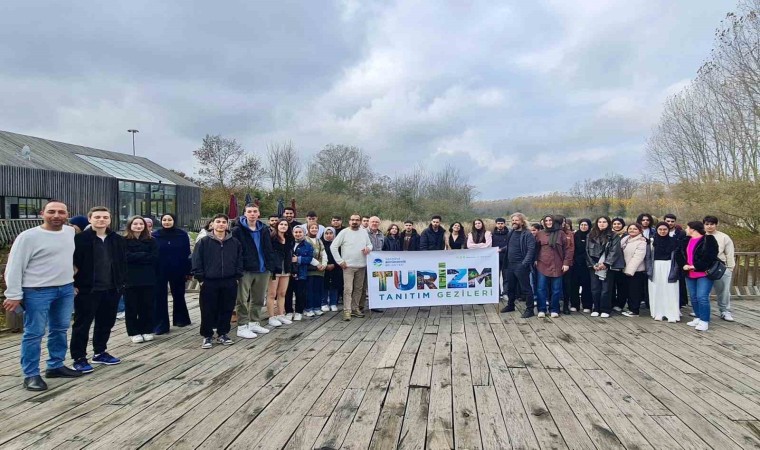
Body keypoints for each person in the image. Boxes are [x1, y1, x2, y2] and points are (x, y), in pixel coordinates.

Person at [3, 200, 81, 391]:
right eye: (51, 211)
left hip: (65, 289)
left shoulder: (69, 233)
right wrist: (13, 294)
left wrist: (72, 276)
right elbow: (14, 266)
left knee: (60, 329)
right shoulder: (28, 237)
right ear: (42, 214)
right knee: (34, 332)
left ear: (67, 215)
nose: (56, 215)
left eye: (61, 212)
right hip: (37, 291)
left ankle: (55, 365)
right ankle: (30, 374)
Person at [70, 206, 126, 373]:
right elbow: (72, 263)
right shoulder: (80, 239)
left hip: (112, 288)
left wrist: (122, 283)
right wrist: (73, 284)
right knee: (82, 324)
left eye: (105, 217)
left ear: (110, 220)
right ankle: (79, 357)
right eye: (97, 217)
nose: (101, 220)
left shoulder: (117, 239)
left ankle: (100, 352)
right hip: (87, 289)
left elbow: (123, 262)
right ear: (90, 219)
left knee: (106, 322)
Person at [192, 214, 243, 348]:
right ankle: (207, 335)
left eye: (223, 222)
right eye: (218, 222)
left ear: (227, 224)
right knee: (207, 309)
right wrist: (201, 279)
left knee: (226, 308)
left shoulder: (234, 242)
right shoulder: (203, 242)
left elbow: (239, 260)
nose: (221, 224)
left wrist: (237, 276)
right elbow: (197, 260)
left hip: (229, 280)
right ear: (213, 224)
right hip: (209, 281)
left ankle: (223, 333)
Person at [231, 204, 274, 339]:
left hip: (263, 269)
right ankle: (242, 326)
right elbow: (235, 251)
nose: (252, 214)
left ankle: (254, 322)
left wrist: (270, 265)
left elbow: (268, 248)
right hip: (246, 269)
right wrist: (238, 268)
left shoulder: (264, 229)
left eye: (255, 211)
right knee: (242, 299)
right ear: (245, 214)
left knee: (259, 298)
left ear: (259, 213)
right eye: (249, 211)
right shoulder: (237, 230)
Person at [152, 213, 192, 335]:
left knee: (179, 294)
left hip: (178, 269)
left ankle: (181, 319)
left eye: (169, 220)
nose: (167, 222)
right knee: (159, 297)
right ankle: (161, 325)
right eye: (164, 220)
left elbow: (187, 253)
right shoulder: (155, 235)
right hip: (160, 270)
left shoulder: (182, 235)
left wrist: (188, 271)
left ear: (174, 221)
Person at [676, 221, 719, 332]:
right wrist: (684, 265)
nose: (686, 230)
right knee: (693, 297)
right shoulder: (686, 240)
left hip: (704, 273)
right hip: (689, 273)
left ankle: (704, 321)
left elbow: (710, 256)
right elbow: (679, 254)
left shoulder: (708, 240)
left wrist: (696, 266)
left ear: (693, 229)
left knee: (702, 297)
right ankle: (698, 317)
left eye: (687, 228)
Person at [123, 215, 158, 343]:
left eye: (141, 224)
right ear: (130, 226)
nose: (138, 226)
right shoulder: (124, 241)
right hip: (130, 278)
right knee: (131, 306)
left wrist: (135, 257)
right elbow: (125, 257)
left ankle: (147, 329)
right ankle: (133, 332)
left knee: (147, 305)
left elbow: (154, 257)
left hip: (148, 277)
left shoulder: (151, 240)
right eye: (135, 224)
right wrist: (143, 255)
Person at [331, 214, 372, 320]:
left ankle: (355, 308)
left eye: (357, 220)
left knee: (358, 289)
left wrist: (368, 248)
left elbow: (370, 244)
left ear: (360, 221)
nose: (354, 222)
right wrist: (340, 261)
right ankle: (347, 311)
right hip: (348, 266)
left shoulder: (364, 232)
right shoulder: (344, 232)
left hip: (361, 265)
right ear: (349, 221)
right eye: (352, 220)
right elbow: (333, 246)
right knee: (348, 289)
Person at [534, 215, 571, 318]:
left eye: (550, 220)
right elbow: (536, 248)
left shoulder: (561, 233)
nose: (548, 222)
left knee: (556, 289)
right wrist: (535, 259)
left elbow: (567, 249)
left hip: (557, 264)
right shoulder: (540, 234)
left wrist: (566, 263)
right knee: (541, 288)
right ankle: (541, 309)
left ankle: (554, 309)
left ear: (554, 221)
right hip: (542, 264)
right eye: (546, 220)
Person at [500, 213, 536, 318]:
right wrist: (501, 250)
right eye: (513, 220)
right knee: (510, 287)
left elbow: (531, 250)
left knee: (526, 288)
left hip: (521, 265)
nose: (514, 222)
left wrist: (524, 264)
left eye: (516, 220)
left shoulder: (527, 234)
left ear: (522, 222)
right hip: (510, 265)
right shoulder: (511, 232)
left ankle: (530, 309)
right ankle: (510, 305)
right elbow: (510, 246)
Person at [704, 216, 735, 321]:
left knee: (723, 291)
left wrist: (730, 268)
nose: (709, 226)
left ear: (716, 225)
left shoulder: (724, 237)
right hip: (704, 268)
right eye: (707, 224)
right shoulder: (700, 236)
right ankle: (700, 311)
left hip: (720, 267)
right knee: (703, 291)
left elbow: (729, 253)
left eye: (712, 224)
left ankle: (725, 311)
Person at [647, 222, 680, 322]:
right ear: (656, 230)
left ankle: (672, 313)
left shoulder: (674, 241)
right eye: (660, 229)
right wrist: (649, 269)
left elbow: (677, 256)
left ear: (668, 230)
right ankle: (658, 312)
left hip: (669, 266)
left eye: (665, 229)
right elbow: (648, 257)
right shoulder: (652, 241)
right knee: (657, 289)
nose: (662, 231)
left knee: (671, 289)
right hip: (656, 266)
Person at [267, 219, 294, 326]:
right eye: (281, 224)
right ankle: (271, 317)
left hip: (285, 269)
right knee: (272, 294)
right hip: (275, 269)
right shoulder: (271, 238)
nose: (283, 226)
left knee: (282, 293)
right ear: (277, 226)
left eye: (285, 224)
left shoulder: (289, 239)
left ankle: (281, 315)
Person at [586, 216, 612, 318]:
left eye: (604, 222)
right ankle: (596, 308)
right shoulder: (590, 235)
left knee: (606, 289)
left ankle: (605, 309)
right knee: (595, 288)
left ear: (608, 223)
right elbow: (587, 251)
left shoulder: (613, 235)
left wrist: (606, 264)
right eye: (600, 222)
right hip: (594, 265)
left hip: (607, 266)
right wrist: (593, 264)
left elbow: (614, 252)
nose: (602, 223)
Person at [620, 223, 647, 317]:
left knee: (634, 291)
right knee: (628, 290)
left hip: (635, 271)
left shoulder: (641, 242)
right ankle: (630, 308)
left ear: (640, 230)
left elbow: (638, 258)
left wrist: (630, 271)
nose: (632, 230)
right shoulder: (625, 240)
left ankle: (634, 310)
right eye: (630, 228)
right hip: (625, 269)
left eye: (635, 229)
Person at [664, 213, 689, 308]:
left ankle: (681, 302)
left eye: (672, 221)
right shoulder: (661, 231)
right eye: (668, 221)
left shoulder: (681, 233)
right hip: (665, 260)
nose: (670, 223)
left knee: (680, 281)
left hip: (678, 260)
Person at [290, 226, 314, 321]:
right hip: (289, 272)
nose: (298, 234)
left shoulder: (308, 245)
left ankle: (299, 312)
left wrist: (298, 259)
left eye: (300, 232)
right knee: (288, 293)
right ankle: (289, 311)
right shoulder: (289, 243)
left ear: (304, 233)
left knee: (300, 293)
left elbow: (309, 258)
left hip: (302, 272)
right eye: (296, 232)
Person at [305, 222, 328, 317]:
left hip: (320, 270)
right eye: (312, 228)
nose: (314, 229)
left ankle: (317, 308)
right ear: (308, 229)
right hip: (310, 269)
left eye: (316, 228)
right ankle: (308, 308)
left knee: (318, 289)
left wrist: (324, 264)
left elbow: (323, 253)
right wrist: (317, 264)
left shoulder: (319, 240)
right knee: (309, 290)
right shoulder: (305, 240)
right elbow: (307, 254)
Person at [571, 219, 593, 313]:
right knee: (574, 285)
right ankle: (574, 304)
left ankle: (587, 305)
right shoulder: (575, 235)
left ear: (589, 226)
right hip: (575, 264)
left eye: (586, 225)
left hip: (587, 264)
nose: (583, 227)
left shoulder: (592, 236)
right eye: (582, 225)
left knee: (587, 285)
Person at [608, 217, 628, 313]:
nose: (617, 226)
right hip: (610, 263)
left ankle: (620, 304)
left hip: (623, 263)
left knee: (622, 285)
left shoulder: (627, 236)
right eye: (615, 224)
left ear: (622, 225)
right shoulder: (608, 234)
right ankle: (611, 303)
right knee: (610, 285)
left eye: (619, 224)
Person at [557, 216, 575, 314]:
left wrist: (567, 262)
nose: (562, 224)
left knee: (567, 285)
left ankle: (566, 305)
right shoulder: (551, 233)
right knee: (554, 285)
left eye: (563, 222)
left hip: (567, 263)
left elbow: (570, 249)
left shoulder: (569, 233)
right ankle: (554, 305)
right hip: (554, 263)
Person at [322, 227, 342, 311]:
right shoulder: (322, 244)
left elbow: (341, 255)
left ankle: (333, 303)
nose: (329, 235)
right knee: (324, 285)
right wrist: (325, 265)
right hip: (324, 268)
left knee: (334, 285)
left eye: (331, 233)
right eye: (327, 233)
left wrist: (334, 264)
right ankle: (324, 303)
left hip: (336, 268)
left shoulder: (338, 245)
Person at [492, 218, 509, 298]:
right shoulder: (492, 234)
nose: (500, 225)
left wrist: (502, 249)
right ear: (496, 224)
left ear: (504, 224)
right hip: (495, 258)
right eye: (498, 223)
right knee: (496, 276)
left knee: (506, 276)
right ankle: (497, 293)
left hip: (506, 257)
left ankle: (505, 293)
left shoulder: (509, 233)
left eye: (502, 223)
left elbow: (511, 244)